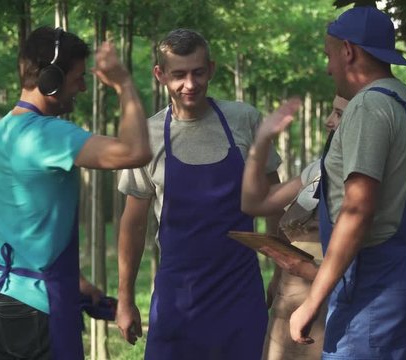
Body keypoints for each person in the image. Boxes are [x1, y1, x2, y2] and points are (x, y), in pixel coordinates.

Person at [284, 6, 406, 359]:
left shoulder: (367, 107)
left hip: (374, 284)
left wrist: (311, 302)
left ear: (348, 51)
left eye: (329, 55)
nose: (329, 68)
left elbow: (357, 211)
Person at [0, 26, 151, 359]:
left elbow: (24, 227)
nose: (83, 87)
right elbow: (136, 151)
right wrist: (124, 84)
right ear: (51, 80)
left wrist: (80, 285)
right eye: (78, 78)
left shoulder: (1, 131)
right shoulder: (47, 135)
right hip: (40, 312)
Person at [115, 28, 287, 359]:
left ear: (211, 68)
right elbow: (132, 225)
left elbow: (274, 202)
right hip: (177, 298)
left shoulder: (244, 120)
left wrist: (281, 271)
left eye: (198, 72)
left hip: (240, 293)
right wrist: (124, 299)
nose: (190, 84)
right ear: (160, 75)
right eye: (178, 75)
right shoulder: (146, 137)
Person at [242, 95, 348, 360]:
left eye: (338, 113)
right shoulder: (317, 170)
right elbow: (254, 202)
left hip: (326, 310)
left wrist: (310, 272)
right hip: (286, 305)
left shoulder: (363, 184)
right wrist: (262, 142)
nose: (328, 121)